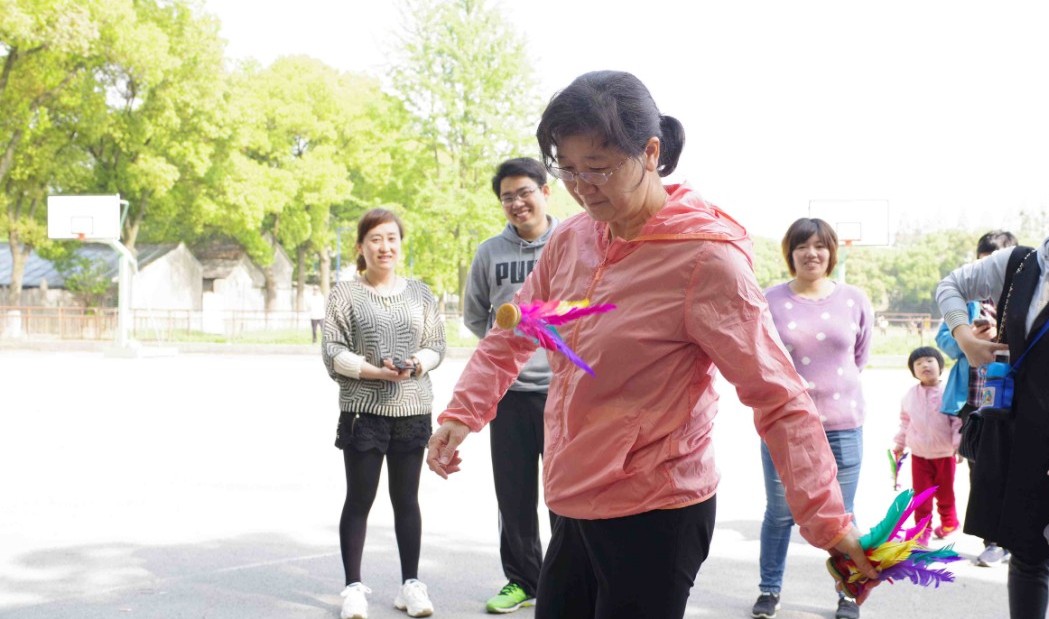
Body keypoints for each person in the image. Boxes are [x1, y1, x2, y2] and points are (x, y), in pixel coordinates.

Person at [425, 70, 877, 619]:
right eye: (567, 170)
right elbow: (516, 329)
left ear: (650, 152)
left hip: (655, 510)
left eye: (598, 169)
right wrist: (464, 412)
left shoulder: (705, 262)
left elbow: (777, 396)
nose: (582, 187)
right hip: (574, 496)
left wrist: (829, 521)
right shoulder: (571, 240)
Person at [321, 208, 446, 619]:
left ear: (400, 244)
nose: (385, 246)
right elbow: (333, 350)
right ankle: (353, 588)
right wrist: (375, 371)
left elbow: (436, 345)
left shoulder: (421, 294)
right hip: (364, 411)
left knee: (406, 499)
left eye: (392, 238)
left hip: (412, 408)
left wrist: (416, 363)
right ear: (361, 247)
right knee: (360, 498)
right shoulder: (345, 293)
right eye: (375, 239)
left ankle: (411, 584)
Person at [753, 218, 874, 619]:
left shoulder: (854, 299)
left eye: (820, 246)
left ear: (831, 252)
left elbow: (859, 356)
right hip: (786, 426)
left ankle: (848, 592)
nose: (812, 253)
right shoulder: (769, 299)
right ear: (790, 252)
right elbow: (761, 358)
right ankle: (769, 590)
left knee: (844, 514)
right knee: (780, 512)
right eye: (803, 246)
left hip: (843, 424)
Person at [463, 157, 560, 614]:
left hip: (566, 393)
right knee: (515, 495)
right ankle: (523, 580)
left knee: (568, 493)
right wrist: (504, 361)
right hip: (510, 394)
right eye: (507, 197)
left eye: (525, 192)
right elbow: (475, 314)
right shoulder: (489, 253)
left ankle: (569, 580)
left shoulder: (571, 242)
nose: (517, 202)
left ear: (546, 191)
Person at [936, 236, 1049, 618]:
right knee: (1029, 554)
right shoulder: (1021, 263)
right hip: (1023, 438)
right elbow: (950, 286)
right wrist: (964, 336)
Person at [935, 229, 1017, 567]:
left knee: (1017, 467)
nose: (990, 272)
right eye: (984, 263)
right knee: (979, 468)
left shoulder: (1024, 294)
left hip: (1014, 397)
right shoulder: (966, 301)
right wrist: (969, 336)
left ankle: (1014, 534)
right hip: (975, 400)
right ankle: (992, 539)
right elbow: (946, 342)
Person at [892, 346, 960, 546]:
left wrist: (958, 445)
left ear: (940, 365)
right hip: (919, 455)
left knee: (945, 495)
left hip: (945, 454)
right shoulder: (910, 395)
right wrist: (899, 443)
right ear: (914, 371)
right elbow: (905, 421)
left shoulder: (949, 392)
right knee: (921, 497)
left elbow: (957, 421)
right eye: (918, 363)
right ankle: (921, 531)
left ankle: (949, 523)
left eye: (929, 361)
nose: (924, 365)